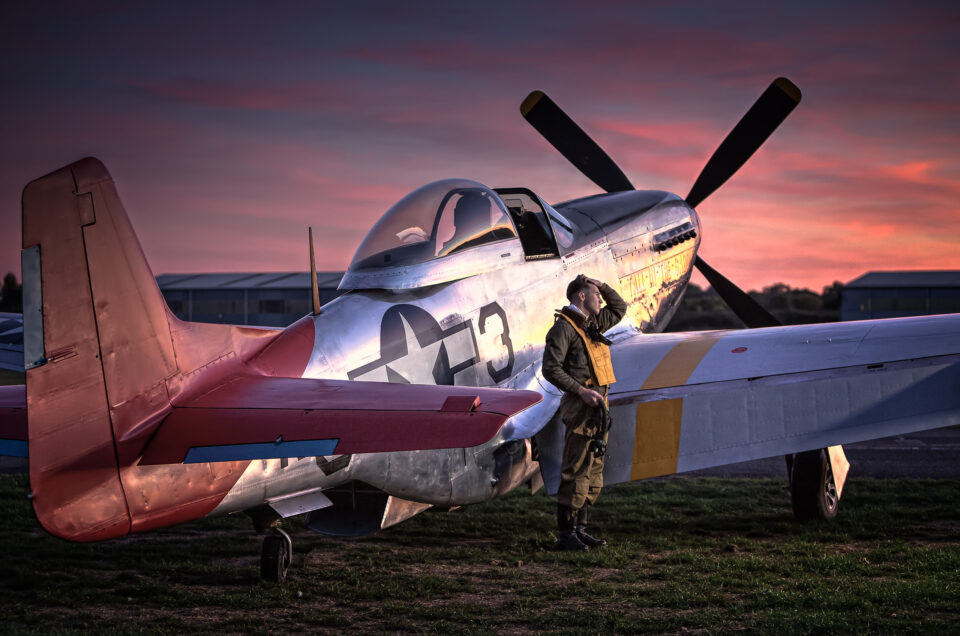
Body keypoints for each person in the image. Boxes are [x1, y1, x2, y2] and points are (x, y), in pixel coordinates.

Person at [542, 274, 627, 550]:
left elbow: (620, 308)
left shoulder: (592, 324)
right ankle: (566, 534)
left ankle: (580, 530)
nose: (600, 298)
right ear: (581, 296)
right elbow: (551, 369)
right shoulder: (564, 329)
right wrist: (580, 391)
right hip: (581, 406)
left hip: (599, 406)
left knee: (593, 469)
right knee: (576, 469)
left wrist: (599, 282)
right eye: (594, 293)